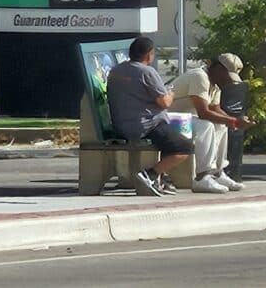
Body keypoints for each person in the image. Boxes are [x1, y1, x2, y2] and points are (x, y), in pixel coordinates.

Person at [107, 37, 195, 196]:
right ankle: (151, 174)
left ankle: (162, 178)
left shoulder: (116, 70)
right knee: (185, 147)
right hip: (147, 126)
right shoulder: (147, 72)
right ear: (149, 55)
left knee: (172, 138)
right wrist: (171, 93)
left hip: (120, 125)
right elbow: (164, 102)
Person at [169, 53, 254, 193]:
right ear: (218, 69)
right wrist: (234, 121)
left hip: (187, 119)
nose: (229, 81)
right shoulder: (199, 77)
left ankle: (218, 173)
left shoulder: (216, 84)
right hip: (170, 119)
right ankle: (202, 177)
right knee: (206, 126)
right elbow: (204, 112)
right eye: (228, 76)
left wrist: (234, 122)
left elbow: (215, 109)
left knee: (221, 124)